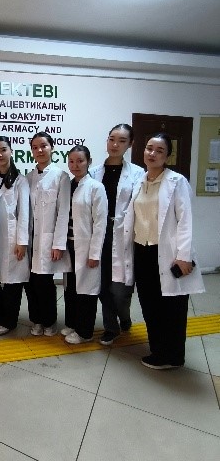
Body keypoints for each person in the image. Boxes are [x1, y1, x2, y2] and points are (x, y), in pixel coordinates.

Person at [124, 133, 204, 369]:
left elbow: (186, 220)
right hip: (143, 252)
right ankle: (158, 351)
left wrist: (183, 256)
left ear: (167, 156)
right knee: (150, 304)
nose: (152, 153)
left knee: (172, 308)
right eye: (149, 148)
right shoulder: (140, 181)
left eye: (159, 151)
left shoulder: (176, 182)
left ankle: (174, 356)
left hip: (168, 254)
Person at [90, 124, 145, 345]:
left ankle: (124, 316)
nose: (115, 144)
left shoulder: (138, 173)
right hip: (100, 233)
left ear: (130, 144)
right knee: (103, 285)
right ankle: (111, 327)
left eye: (122, 141)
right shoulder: (94, 173)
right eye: (112, 139)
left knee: (121, 290)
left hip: (124, 234)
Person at [25, 132, 70, 336]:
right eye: (35, 147)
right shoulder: (28, 178)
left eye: (43, 146)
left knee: (45, 284)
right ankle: (36, 320)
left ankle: (49, 322)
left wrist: (58, 244)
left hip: (48, 240)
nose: (39, 150)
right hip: (30, 240)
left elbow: (64, 212)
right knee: (30, 283)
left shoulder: (61, 177)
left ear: (52, 147)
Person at [63, 145, 108, 344]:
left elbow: (100, 223)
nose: (75, 165)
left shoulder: (96, 187)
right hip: (69, 246)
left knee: (86, 291)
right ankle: (72, 323)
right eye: (71, 161)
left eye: (80, 161)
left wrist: (94, 253)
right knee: (71, 288)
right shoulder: (68, 185)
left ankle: (85, 332)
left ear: (89, 162)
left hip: (86, 248)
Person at [0, 136, 30, 335]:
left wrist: (22, 242)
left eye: (3, 149)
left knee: (12, 281)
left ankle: (9, 320)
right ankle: (0, 312)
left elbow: (24, 213)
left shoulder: (21, 180)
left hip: (12, 238)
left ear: (11, 151)